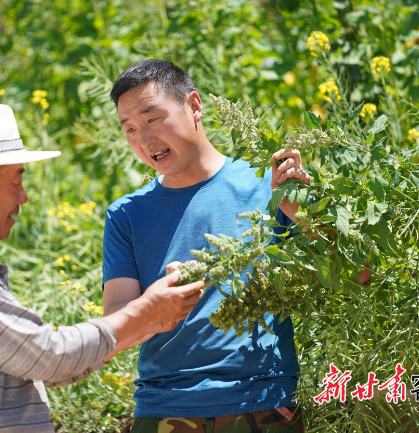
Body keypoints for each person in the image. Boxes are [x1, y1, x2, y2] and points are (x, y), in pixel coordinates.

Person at [0, 103, 205, 433]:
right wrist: (143, 312)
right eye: (15, 182)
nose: (24, 197)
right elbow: (46, 357)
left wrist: (148, 320)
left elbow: (35, 363)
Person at [102, 59, 312, 432]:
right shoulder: (126, 215)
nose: (144, 139)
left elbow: (356, 276)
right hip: (164, 410)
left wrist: (305, 216)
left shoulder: (270, 186)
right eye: (130, 128)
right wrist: (156, 305)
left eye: (153, 119)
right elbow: (114, 328)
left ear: (195, 106)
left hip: (263, 407)